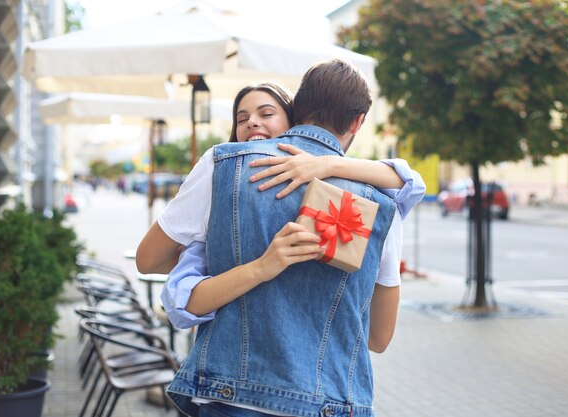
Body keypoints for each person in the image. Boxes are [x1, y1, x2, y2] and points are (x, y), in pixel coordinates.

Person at [137, 60, 425, 417]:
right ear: (357, 122)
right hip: (332, 401)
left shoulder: (222, 165)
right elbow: (379, 338)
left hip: (229, 392)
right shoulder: (381, 201)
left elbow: (148, 260)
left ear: (296, 110)